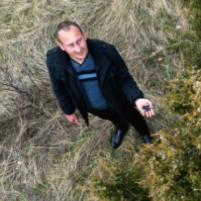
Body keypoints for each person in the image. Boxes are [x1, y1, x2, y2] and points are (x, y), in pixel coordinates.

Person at [46, 21, 154, 149]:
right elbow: (59, 88)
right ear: (61, 46)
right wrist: (68, 110)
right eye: (70, 45)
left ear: (84, 35)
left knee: (132, 116)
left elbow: (124, 79)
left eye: (79, 41)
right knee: (113, 118)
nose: (78, 48)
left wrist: (137, 98)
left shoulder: (107, 52)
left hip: (117, 99)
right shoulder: (54, 62)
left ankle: (144, 133)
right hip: (92, 107)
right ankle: (121, 126)